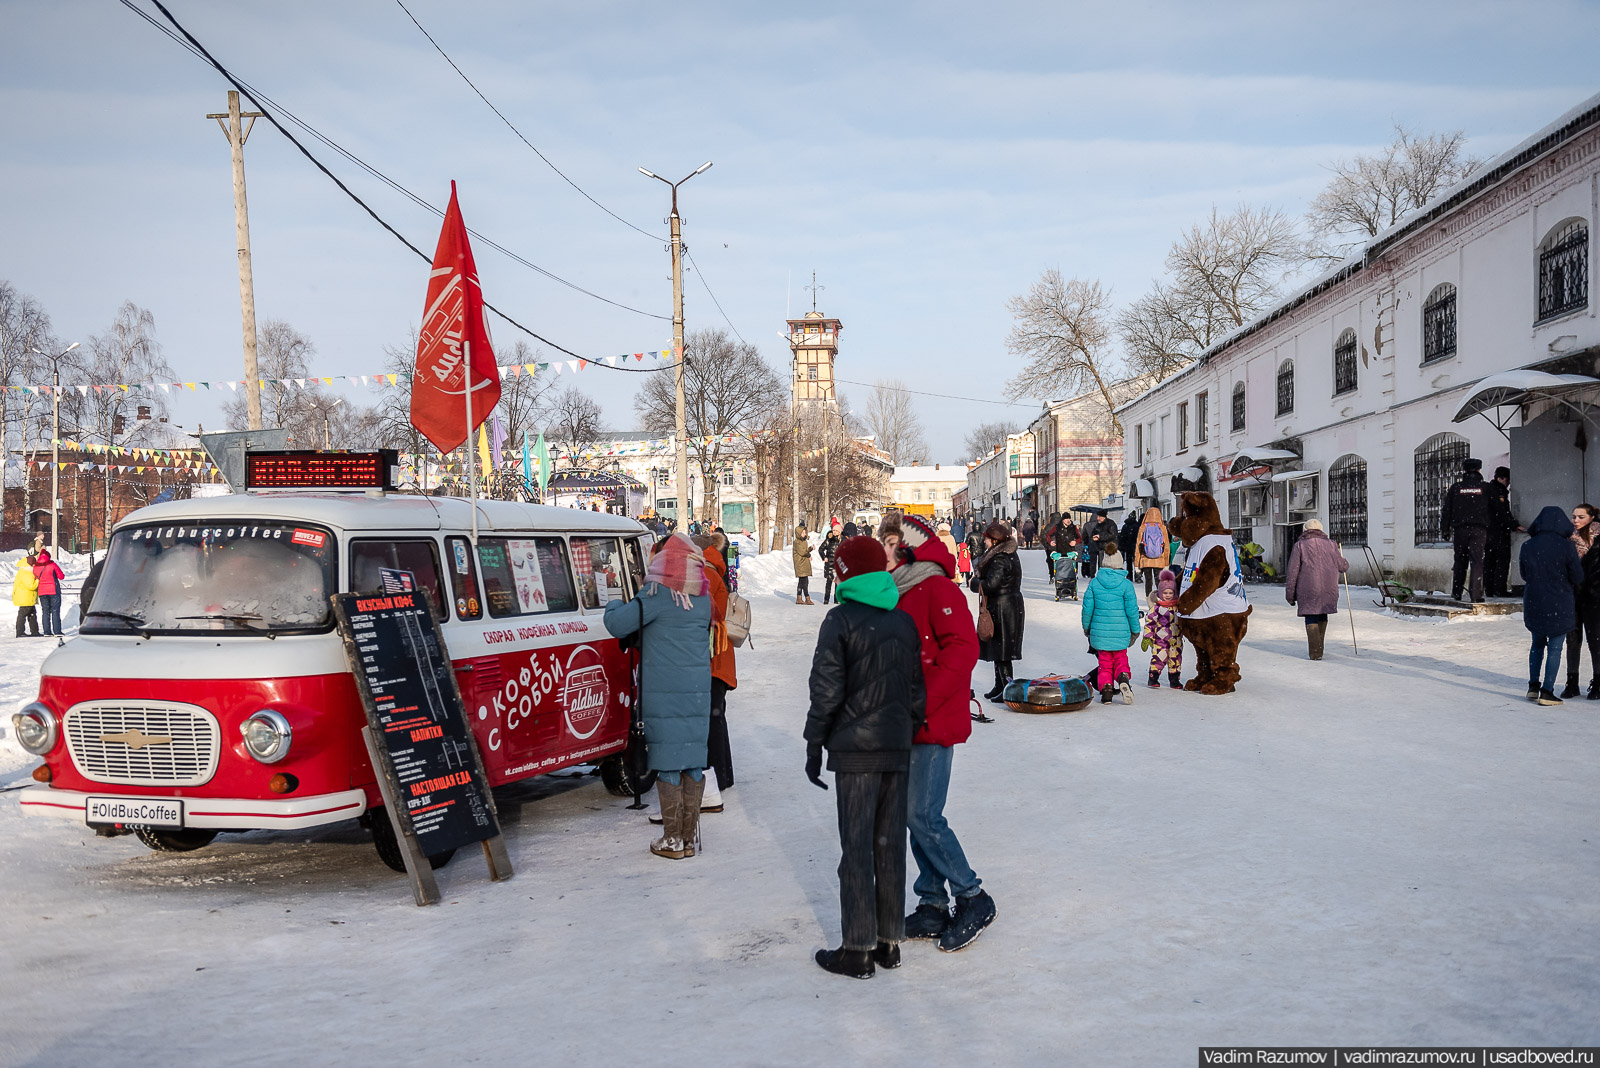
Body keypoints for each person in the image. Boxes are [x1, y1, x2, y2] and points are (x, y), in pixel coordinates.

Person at [804, 536, 927, 979]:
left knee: (856, 847)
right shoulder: (903, 622)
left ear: (847, 574)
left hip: (855, 752)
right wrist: (903, 732)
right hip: (896, 748)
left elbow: (826, 691)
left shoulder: (839, 621)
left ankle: (856, 950)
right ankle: (889, 942)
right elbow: (916, 691)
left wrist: (814, 741)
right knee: (889, 845)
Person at [888, 515, 998, 952]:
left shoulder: (937, 587)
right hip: (906, 720)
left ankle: (973, 896)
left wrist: (921, 701)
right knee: (912, 813)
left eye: (889, 544)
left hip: (932, 721)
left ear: (909, 549)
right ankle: (933, 902)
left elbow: (964, 649)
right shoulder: (897, 591)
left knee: (924, 815)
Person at [602, 533, 713, 859]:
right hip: (697, 693)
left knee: (667, 762)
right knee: (692, 762)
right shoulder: (703, 596)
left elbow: (616, 624)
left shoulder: (656, 593)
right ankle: (689, 840)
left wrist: (611, 601)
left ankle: (672, 840)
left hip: (664, 694)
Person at [1520, 505, 1582, 705]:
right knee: (1555, 648)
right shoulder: (1566, 546)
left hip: (1534, 600)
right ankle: (1547, 692)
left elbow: (1523, 574)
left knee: (1537, 644)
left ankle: (1532, 687)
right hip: (1559, 601)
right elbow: (1577, 576)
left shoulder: (1527, 546)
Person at [695, 532, 739, 796]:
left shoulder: (706, 575)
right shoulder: (712, 570)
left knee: (713, 718)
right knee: (716, 717)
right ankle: (724, 774)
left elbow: (704, 615)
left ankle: (718, 776)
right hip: (718, 654)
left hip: (713, 655)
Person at [971, 519, 1023, 703]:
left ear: (995, 541)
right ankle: (999, 685)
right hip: (1003, 605)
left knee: (1003, 649)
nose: (984, 541)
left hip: (1004, 606)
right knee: (998, 646)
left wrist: (975, 583)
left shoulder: (1001, 558)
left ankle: (1007, 688)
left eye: (987, 539)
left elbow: (992, 584)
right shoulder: (1005, 554)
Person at [1081, 542, 1140, 704]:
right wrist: (1135, 630)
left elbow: (1087, 609)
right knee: (1121, 659)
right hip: (1121, 632)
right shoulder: (1126, 585)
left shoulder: (1095, 582)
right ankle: (1122, 678)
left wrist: (1087, 628)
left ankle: (1106, 691)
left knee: (1105, 664)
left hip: (1100, 633)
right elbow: (1132, 611)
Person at [1283, 518, 1349, 661]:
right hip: (1328, 588)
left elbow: (1293, 571)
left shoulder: (1300, 546)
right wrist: (1340, 555)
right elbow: (1343, 566)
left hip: (1308, 588)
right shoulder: (1331, 545)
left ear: (1305, 530)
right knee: (1322, 613)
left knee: (1311, 615)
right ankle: (1319, 649)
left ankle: (1315, 652)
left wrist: (1290, 594)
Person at [1562, 504, 1600, 699]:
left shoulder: (1598, 539)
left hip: (1594, 598)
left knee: (1595, 641)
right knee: (1573, 640)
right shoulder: (1568, 540)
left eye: (1580, 516)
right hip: (1572, 596)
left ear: (1592, 517)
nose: (1575, 520)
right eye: (1574, 516)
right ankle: (1572, 682)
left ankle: (1598, 682)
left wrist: (1593, 588)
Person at [1441, 457, 1491, 603]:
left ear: (1464, 470)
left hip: (1460, 530)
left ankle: (1456, 592)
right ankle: (1475, 595)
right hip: (1479, 530)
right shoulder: (1485, 488)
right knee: (1477, 561)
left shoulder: (1456, 488)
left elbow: (1447, 510)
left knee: (1460, 560)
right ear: (1479, 469)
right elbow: (1493, 510)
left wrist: (1445, 529)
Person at [1140, 567, 1182, 687]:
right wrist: (1147, 636)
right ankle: (1153, 677)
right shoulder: (1156, 608)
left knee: (1176, 659)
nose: (1168, 596)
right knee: (1159, 658)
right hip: (1160, 639)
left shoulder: (1177, 607)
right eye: (1165, 593)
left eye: (1170, 593)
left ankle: (1174, 680)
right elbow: (1150, 622)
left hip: (1176, 640)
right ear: (1160, 593)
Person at [1485, 466, 1522, 598]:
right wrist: (1514, 525)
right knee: (1501, 560)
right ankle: (1499, 589)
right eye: (1507, 480)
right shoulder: (1498, 492)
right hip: (1498, 532)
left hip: (1489, 533)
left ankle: (1489, 589)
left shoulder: (1489, 490)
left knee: (1490, 562)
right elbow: (1502, 512)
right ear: (1500, 478)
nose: (1508, 483)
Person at [1134, 506, 1172, 596]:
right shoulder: (1162, 527)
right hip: (1159, 559)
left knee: (1148, 581)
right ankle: (1159, 599)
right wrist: (1166, 563)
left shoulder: (1143, 527)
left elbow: (1138, 546)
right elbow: (1166, 547)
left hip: (1145, 559)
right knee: (1159, 581)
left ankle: (1149, 600)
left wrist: (1136, 564)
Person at [33, 549, 65, 637]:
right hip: (53, 590)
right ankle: (57, 631)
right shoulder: (52, 565)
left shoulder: (36, 566)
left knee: (45, 611)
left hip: (42, 592)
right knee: (55, 610)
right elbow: (61, 576)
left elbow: (35, 577)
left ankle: (47, 632)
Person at [1081, 510, 1117, 578]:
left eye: (1099, 517)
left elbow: (1112, 535)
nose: (1098, 518)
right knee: (1094, 563)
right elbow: (1093, 533)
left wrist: (1100, 537)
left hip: (1106, 548)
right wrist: (1094, 537)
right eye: (1097, 516)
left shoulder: (1110, 524)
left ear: (1104, 517)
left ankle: (1102, 576)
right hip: (1096, 546)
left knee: (1103, 564)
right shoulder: (1098, 524)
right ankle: (1093, 576)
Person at [13, 554, 40, 638]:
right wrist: (38, 580)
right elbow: (31, 586)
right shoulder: (27, 573)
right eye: (34, 564)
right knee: (23, 615)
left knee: (31, 615)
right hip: (26, 597)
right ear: (31, 564)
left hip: (26, 597)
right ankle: (20, 632)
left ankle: (34, 631)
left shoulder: (23, 570)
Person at [819, 520, 843, 605]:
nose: (835, 532)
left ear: (839, 532)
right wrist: (824, 557)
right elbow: (821, 549)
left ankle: (837, 599)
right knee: (829, 581)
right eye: (833, 530)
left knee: (838, 582)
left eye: (836, 531)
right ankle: (826, 599)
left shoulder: (842, 540)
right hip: (829, 563)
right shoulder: (829, 539)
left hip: (838, 564)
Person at [793, 523, 814, 605]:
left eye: (805, 532)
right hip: (800, 564)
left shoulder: (804, 541)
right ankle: (807, 597)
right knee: (804, 581)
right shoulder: (797, 542)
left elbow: (805, 552)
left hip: (804, 563)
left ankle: (799, 597)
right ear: (799, 534)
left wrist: (809, 553)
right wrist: (810, 551)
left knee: (802, 581)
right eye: (803, 533)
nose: (805, 534)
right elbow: (802, 552)